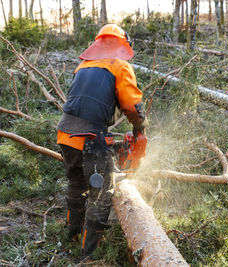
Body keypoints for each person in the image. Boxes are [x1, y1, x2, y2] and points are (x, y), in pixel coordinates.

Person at [56, 24, 146, 256]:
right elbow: (131, 105)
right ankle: (89, 255)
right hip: (89, 139)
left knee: (76, 185)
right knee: (101, 195)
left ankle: (71, 236)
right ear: (122, 44)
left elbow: (83, 102)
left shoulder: (83, 66)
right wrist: (140, 127)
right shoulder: (119, 65)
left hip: (65, 134)